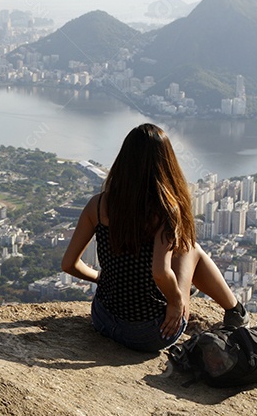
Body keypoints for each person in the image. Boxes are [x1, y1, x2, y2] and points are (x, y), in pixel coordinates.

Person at [61, 123, 246, 353]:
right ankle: (236, 311)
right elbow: (159, 272)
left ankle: (231, 308)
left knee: (178, 250)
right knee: (190, 248)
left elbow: (68, 264)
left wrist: (101, 277)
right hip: (150, 333)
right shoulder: (165, 212)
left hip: (104, 321)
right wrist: (177, 301)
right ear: (165, 164)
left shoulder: (97, 205)